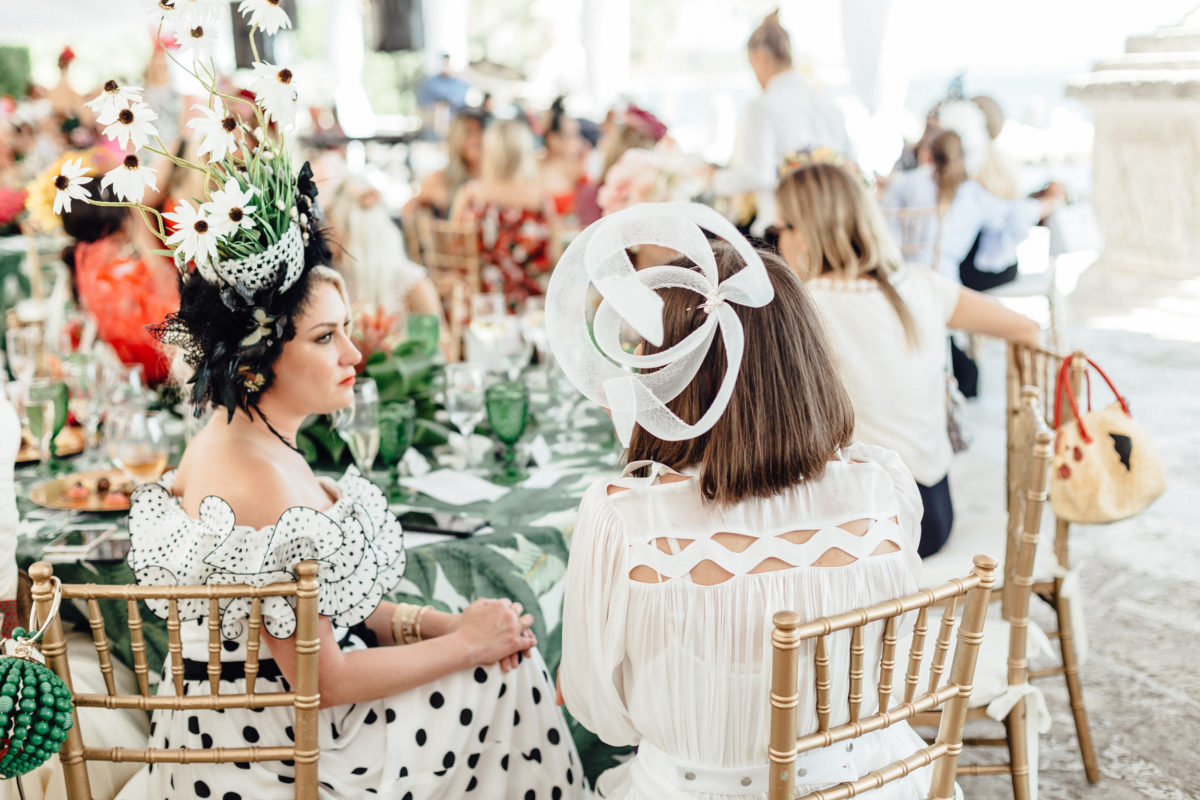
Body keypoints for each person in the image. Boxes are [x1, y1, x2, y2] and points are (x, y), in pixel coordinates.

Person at [117, 159, 582, 798]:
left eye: (348, 331)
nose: (353, 356)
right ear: (259, 358)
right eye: (326, 337)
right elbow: (322, 680)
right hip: (272, 756)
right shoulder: (257, 477)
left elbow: (323, 611)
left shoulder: (255, 440)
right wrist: (471, 647)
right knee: (508, 674)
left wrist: (448, 626)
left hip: (262, 722)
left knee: (499, 656)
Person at [553, 204, 940, 799]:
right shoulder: (882, 484)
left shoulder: (622, 519)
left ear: (667, 374)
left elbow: (600, 716)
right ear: (807, 359)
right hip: (878, 784)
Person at [775, 156, 1041, 557]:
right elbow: (1026, 328)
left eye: (779, 228)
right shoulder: (920, 284)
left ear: (806, 233)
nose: (776, 241)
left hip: (867, 529)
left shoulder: (804, 307)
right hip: (934, 514)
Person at [712, 10, 853, 237]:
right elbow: (848, 161)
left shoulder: (763, 106)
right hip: (830, 229)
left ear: (761, 57)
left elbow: (757, 174)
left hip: (781, 231)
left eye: (752, 64)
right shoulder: (826, 102)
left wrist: (715, 179)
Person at [60, 183, 180, 384]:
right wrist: (141, 220)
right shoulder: (120, 268)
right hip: (158, 368)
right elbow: (171, 292)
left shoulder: (83, 257)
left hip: (131, 370)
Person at [452, 119, 557, 307]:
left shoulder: (470, 195)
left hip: (480, 306)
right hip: (531, 308)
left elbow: (453, 254)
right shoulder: (541, 202)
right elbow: (555, 260)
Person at [402, 107, 485, 220]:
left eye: (480, 131)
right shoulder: (440, 178)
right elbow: (408, 210)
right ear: (457, 138)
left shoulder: (495, 178)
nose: (476, 139)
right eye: (469, 132)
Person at [539, 97, 587, 218]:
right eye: (570, 136)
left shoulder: (579, 170)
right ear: (553, 139)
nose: (578, 142)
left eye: (577, 135)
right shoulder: (534, 168)